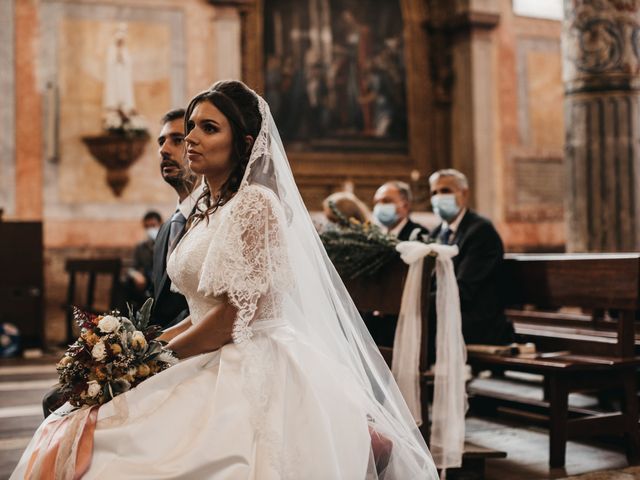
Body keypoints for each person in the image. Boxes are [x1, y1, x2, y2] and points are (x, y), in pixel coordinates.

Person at [12, 81, 437, 479]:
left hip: (248, 356)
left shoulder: (255, 204)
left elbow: (232, 318)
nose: (191, 137)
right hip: (209, 346)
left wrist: (150, 364)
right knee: (86, 424)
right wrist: (137, 348)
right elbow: (201, 310)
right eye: (191, 126)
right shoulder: (208, 208)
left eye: (208, 128)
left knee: (124, 455)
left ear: (245, 143)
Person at [428, 168, 513, 346]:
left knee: (411, 325)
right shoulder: (435, 234)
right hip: (448, 311)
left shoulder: (480, 231)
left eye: (445, 191)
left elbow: (463, 291)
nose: (438, 197)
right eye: (434, 192)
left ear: (464, 194)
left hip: (477, 318)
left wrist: (417, 302)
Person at [151, 108, 204, 329]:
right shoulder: (165, 229)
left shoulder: (214, 216)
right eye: (161, 141)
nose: (164, 150)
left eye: (177, 140)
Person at [123, 210, 162, 307]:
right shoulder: (141, 247)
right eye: (147, 227)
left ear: (160, 224)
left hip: (161, 282)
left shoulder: (166, 244)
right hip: (147, 283)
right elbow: (132, 267)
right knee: (127, 284)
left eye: (153, 225)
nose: (150, 229)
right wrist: (136, 275)